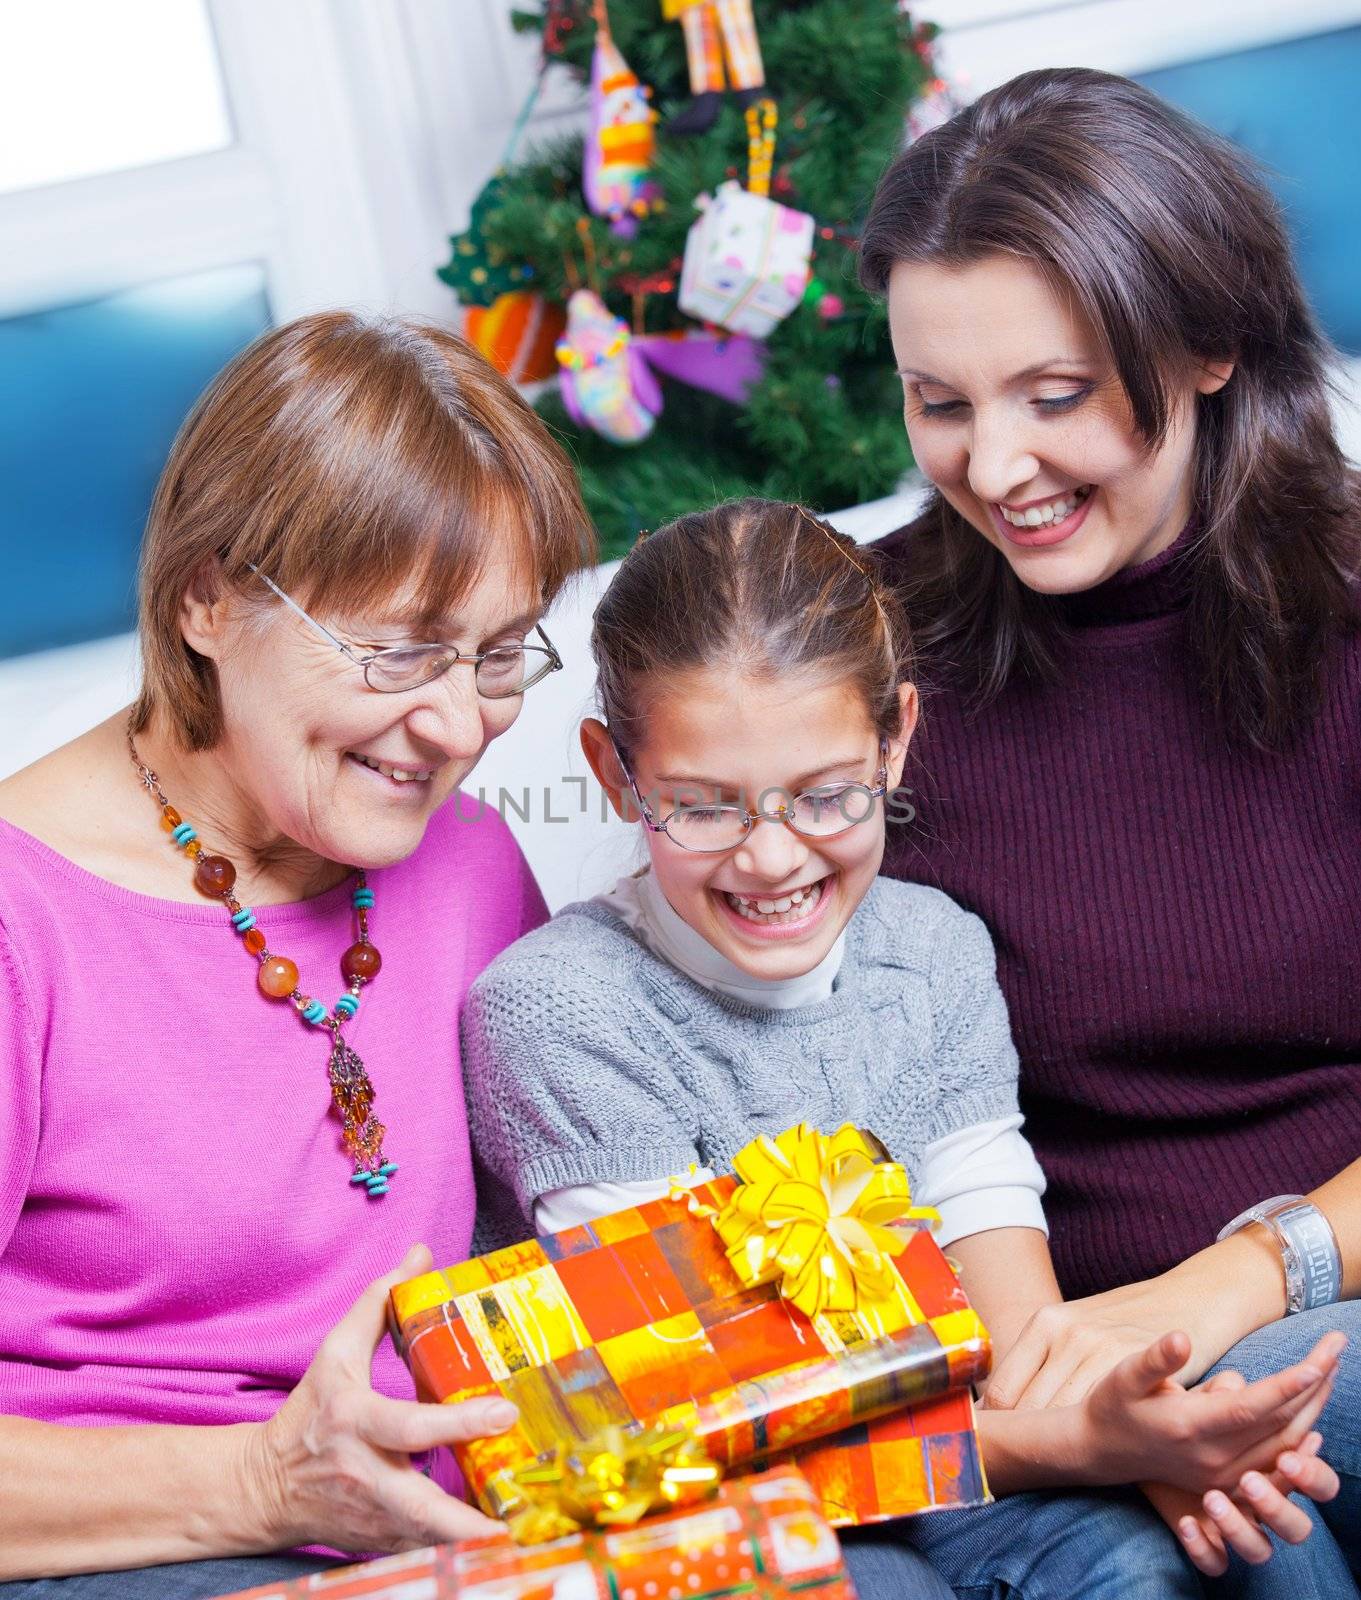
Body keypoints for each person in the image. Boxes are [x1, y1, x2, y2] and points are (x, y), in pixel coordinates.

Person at [460, 498, 1342, 1599]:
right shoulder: (558, 1010)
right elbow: (704, 1419)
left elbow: (1009, 1331)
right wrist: (1087, 1445)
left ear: (896, 739)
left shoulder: (930, 951)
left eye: (826, 795)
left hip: (971, 1448)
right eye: (700, 806)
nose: (771, 856)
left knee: (1226, 1542)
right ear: (613, 773)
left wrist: (1132, 1438)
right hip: (725, 1492)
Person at [858, 66, 1361, 1589]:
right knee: (1239, 1524)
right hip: (1062, 1373)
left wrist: (1226, 1287)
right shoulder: (859, 665)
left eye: (1054, 397)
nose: (992, 470)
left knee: (1281, 1435)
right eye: (939, 405)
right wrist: (1096, 1398)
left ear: (1208, 345)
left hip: (1310, 1287)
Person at [0, 314, 596, 1594]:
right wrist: (263, 1483)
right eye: (397, 649)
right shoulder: (20, 920)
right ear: (209, 596)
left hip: (455, 1531)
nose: (454, 724)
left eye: (498, 657)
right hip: (145, 1547)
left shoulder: (471, 858)